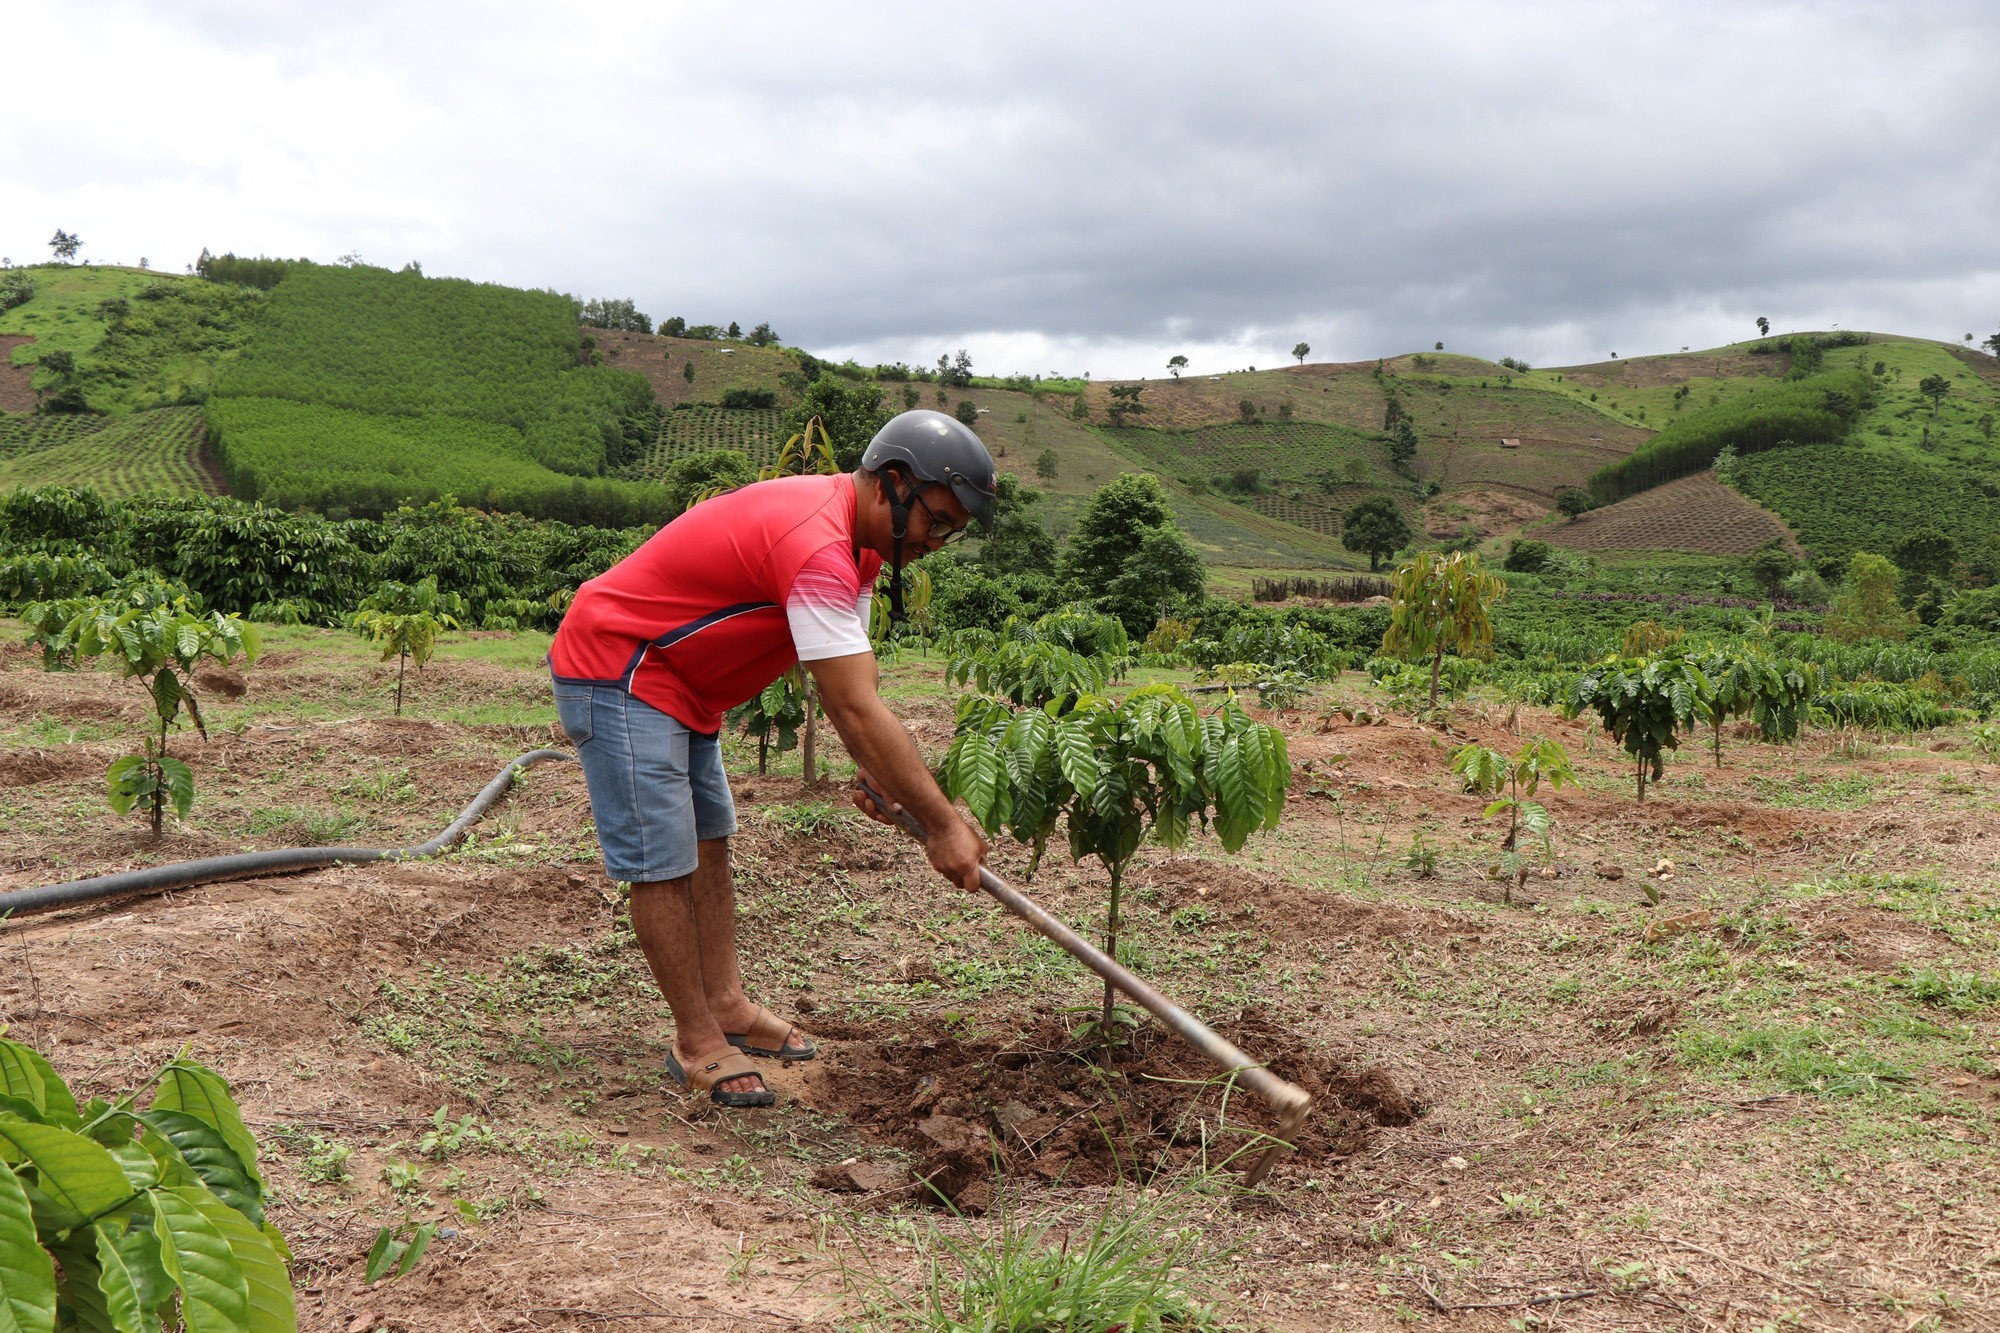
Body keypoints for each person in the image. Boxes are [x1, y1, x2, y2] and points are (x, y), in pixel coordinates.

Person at [549, 410, 996, 1106]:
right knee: (662, 857)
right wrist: (941, 821)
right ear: (895, 485)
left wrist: (889, 782)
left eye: (953, 533)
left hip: (684, 683)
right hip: (623, 664)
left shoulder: (866, 549)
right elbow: (849, 707)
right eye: (937, 521)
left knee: (709, 837)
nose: (938, 543)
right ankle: (697, 1039)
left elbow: (856, 681)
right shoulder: (816, 540)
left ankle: (726, 1005)